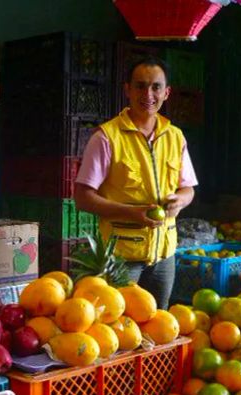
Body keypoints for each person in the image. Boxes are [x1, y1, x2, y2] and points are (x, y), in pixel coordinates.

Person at [74, 56, 198, 309]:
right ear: (127, 90)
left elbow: (188, 188)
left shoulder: (175, 137)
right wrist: (131, 213)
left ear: (167, 92)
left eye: (156, 87)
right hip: (121, 256)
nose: (148, 94)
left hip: (164, 255)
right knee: (118, 331)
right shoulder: (106, 137)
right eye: (140, 86)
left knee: (158, 325)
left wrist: (180, 201)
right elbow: (82, 196)